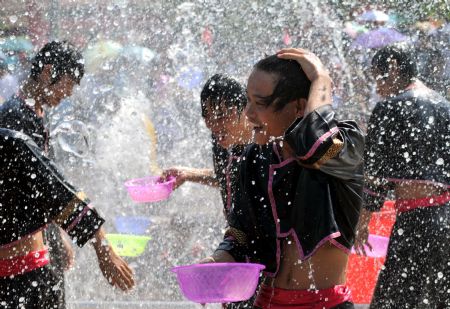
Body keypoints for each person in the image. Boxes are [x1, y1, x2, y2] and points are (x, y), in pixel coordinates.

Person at [203, 48, 364, 309]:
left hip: (325, 304)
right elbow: (240, 233)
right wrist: (217, 261)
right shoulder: (254, 158)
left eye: (261, 104)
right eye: (248, 101)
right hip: (266, 303)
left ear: (300, 106)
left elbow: (316, 146)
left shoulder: (344, 143)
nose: (248, 114)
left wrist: (321, 80)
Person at [0, 41, 134, 309]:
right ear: (48, 72)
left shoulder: (35, 112)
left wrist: (55, 233)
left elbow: (40, 190)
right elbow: (49, 187)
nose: (69, 93)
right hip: (18, 264)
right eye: (68, 83)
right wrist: (101, 245)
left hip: (34, 251)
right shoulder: (14, 123)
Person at [354, 43, 450, 309]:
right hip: (445, 220)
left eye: (377, 78)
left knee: (392, 302)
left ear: (393, 68)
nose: (377, 88)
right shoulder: (445, 107)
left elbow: (375, 174)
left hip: (415, 222)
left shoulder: (390, 109)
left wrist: (363, 221)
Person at [163, 74, 254, 308]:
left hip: (266, 257)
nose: (215, 125)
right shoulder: (223, 143)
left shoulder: (266, 147)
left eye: (223, 115)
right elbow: (227, 178)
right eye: (208, 116)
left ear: (245, 108)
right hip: (238, 246)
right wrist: (189, 174)